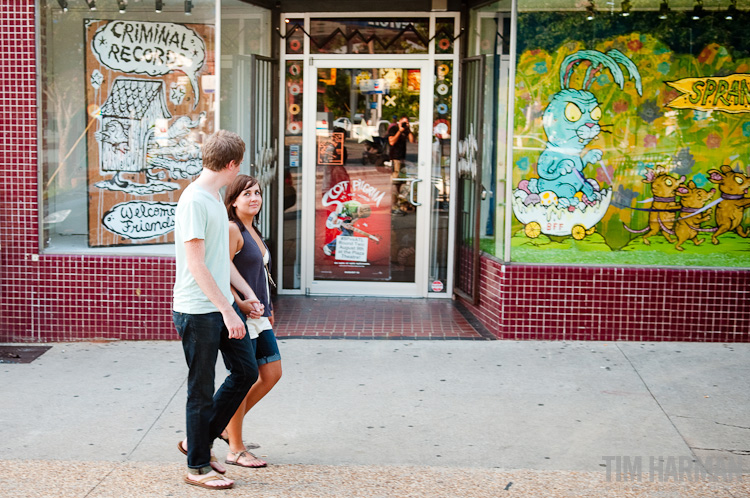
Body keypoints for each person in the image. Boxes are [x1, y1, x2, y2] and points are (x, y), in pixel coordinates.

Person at [172, 130, 263, 490]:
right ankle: (197, 467)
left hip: (219, 305)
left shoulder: (212, 197)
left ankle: (197, 443)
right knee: (201, 388)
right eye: (239, 164)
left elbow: (219, 261)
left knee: (245, 371)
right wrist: (228, 311)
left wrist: (242, 297)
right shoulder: (194, 200)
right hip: (198, 310)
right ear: (231, 164)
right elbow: (197, 264)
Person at [221, 174, 283, 468]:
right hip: (243, 315)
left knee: (272, 373)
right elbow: (221, 270)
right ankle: (235, 447)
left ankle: (225, 425)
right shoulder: (233, 229)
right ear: (233, 201)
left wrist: (268, 307)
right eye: (246, 194)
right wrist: (239, 303)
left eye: (257, 193)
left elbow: (260, 275)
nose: (254, 198)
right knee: (243, 380)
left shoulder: (252, 229)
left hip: (260, 316)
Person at [387, 116, 415, 214]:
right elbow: (391, 142)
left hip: (402, 159)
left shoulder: (406, 131)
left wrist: (408, 129)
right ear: (399, 122)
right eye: (403, 123)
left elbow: (412, 140)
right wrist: (399, 130)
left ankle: (399, 203)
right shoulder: (394, 129)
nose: (405, 125)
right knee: (395, 182)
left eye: (407, 123)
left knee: (401, 182)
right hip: (395, 159)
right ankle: (393, 205)